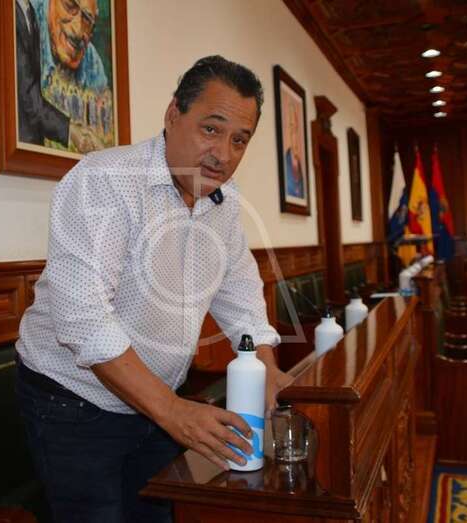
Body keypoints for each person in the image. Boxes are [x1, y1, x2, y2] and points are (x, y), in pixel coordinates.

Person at [15, 55, 291, 523]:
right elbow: (83, 319)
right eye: (211, 129)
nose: (223, 154)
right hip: (74, 403)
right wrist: (173, 412)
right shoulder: (104, 181)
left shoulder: (225, 201)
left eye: (239, 139)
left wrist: (265, 362)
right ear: (172, 114)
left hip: (158, 401)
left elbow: (239, 288)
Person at [15, 0, 97, 152]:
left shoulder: (29, 12)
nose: (78, 29)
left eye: (87, 19)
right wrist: (70, 130)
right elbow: (30, 99)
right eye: (69, 6)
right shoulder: (14, 14)